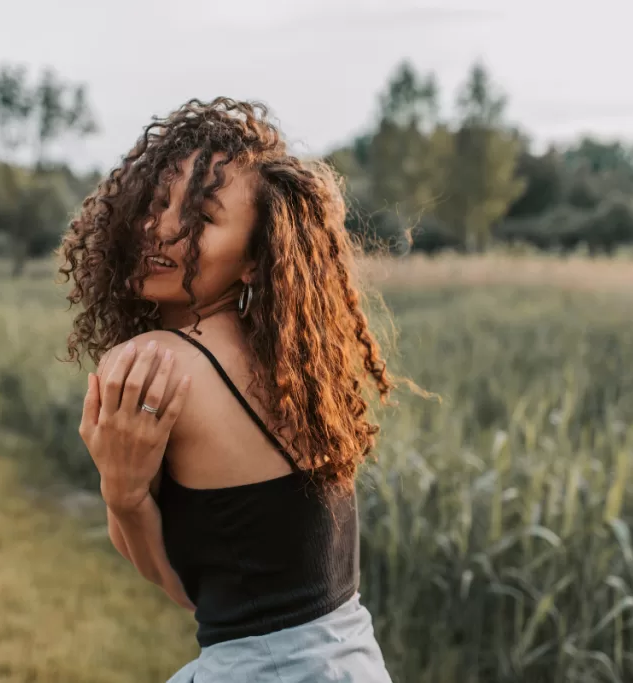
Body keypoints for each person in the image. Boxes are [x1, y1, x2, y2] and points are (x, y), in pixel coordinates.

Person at [59, 97, 397, 682]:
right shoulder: (294, 365)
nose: (161, 229)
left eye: (201, 218)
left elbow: (180, 588)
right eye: (160, 203)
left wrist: (123, 494)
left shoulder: (149, 364)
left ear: (253, 260)